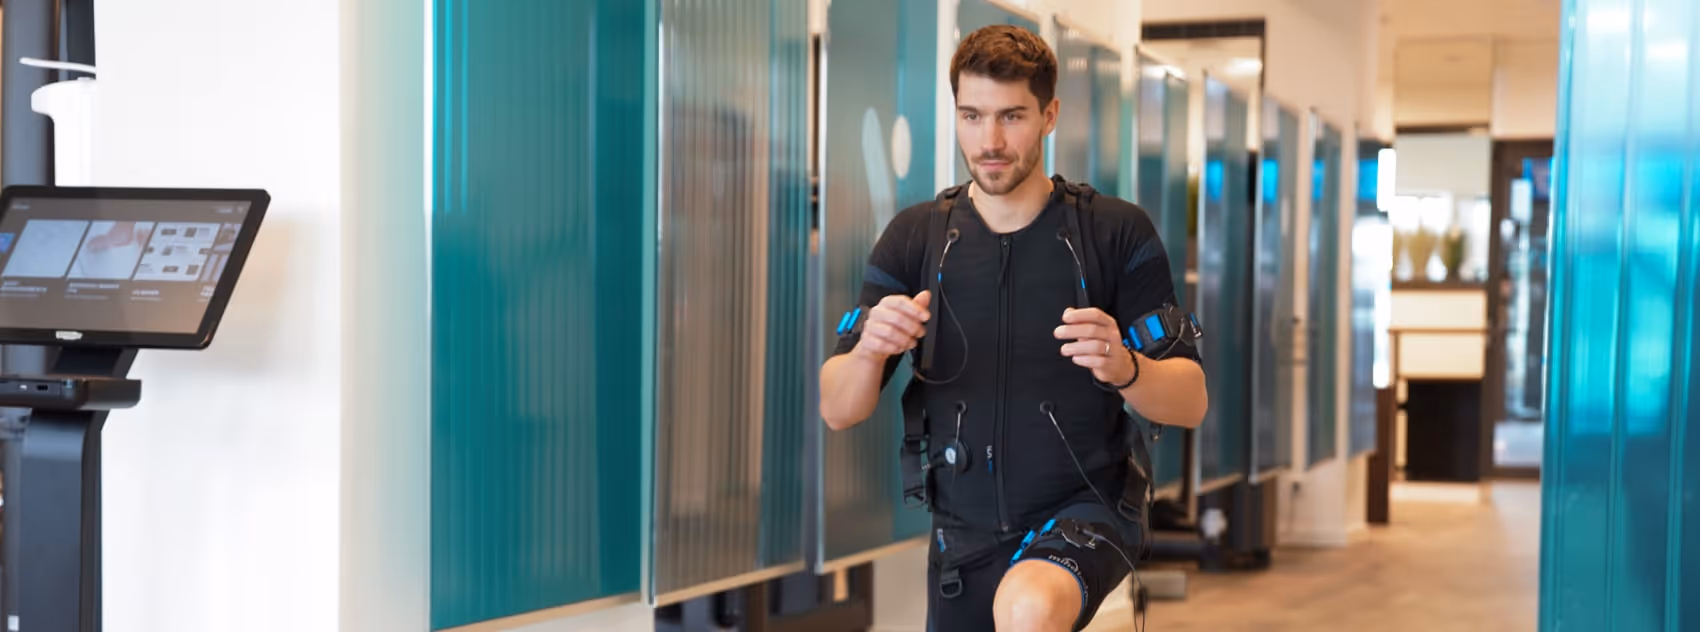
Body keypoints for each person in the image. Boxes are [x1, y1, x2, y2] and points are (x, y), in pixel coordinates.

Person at [818, 25, 1209, 632]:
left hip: (1087, 510)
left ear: (1049, 116)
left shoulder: (1113, 232)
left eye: (1011, 116)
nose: (990, 141)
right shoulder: (915, 238)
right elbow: (838, 409)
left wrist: (1128, 367)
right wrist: (870, 351)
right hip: (961, 536)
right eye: (972, 116)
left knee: (1027, 610)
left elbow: (1191, 400)